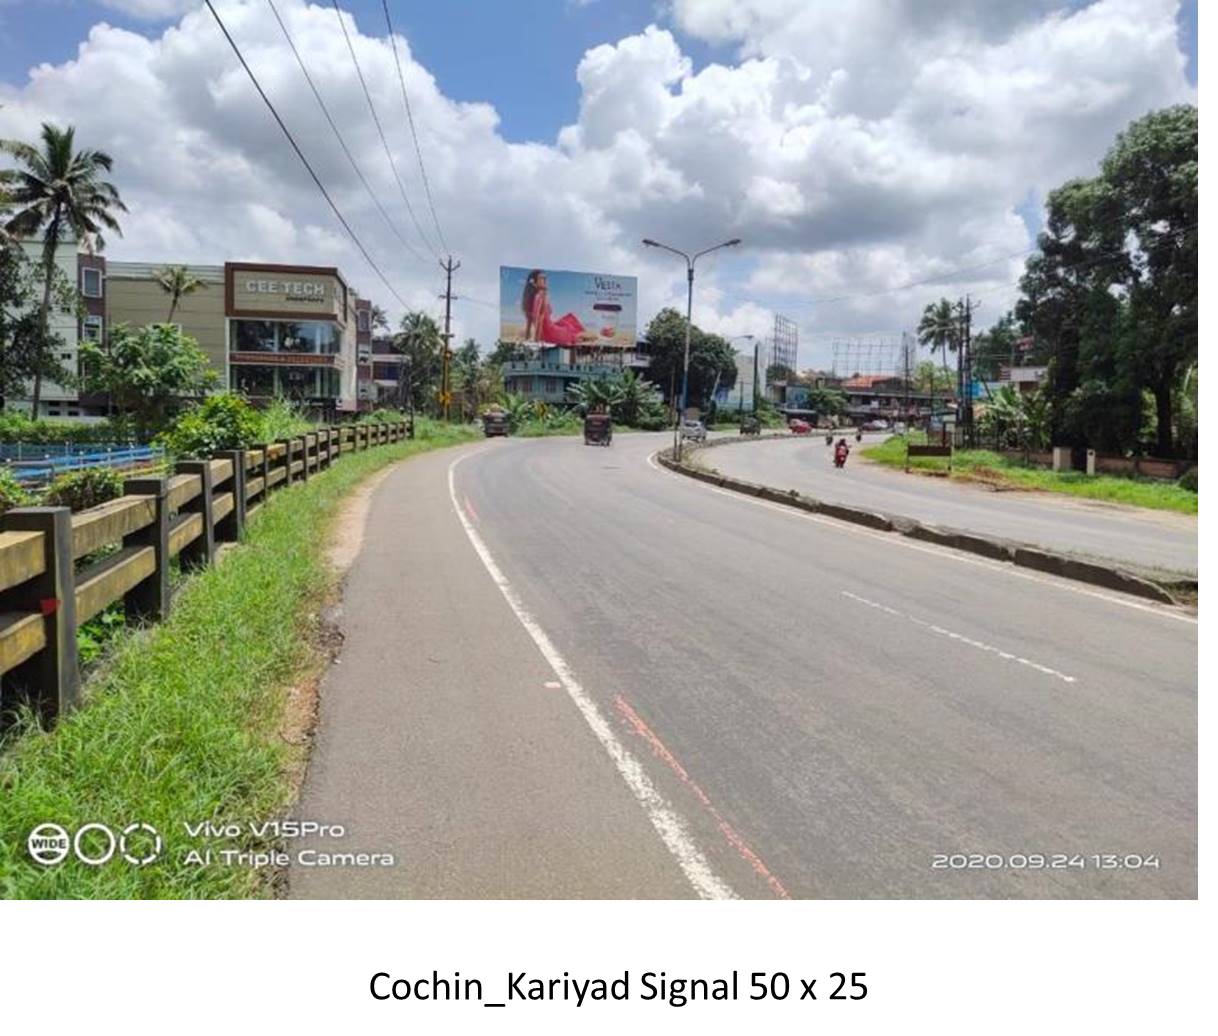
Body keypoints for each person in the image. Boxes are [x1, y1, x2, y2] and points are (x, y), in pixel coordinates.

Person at [520, 269, 595, 346]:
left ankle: (581, 337)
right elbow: (540, 318)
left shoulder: (530, 299)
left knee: (569, 319)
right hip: (551, 333)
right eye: (541, 278)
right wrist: (537, 341)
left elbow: (529, 323)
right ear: (534, 283)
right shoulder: (541, 296)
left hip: (545, 333)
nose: (545, 280)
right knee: (572, 328)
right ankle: (583, 337)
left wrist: (528, 338)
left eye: (545, 278)